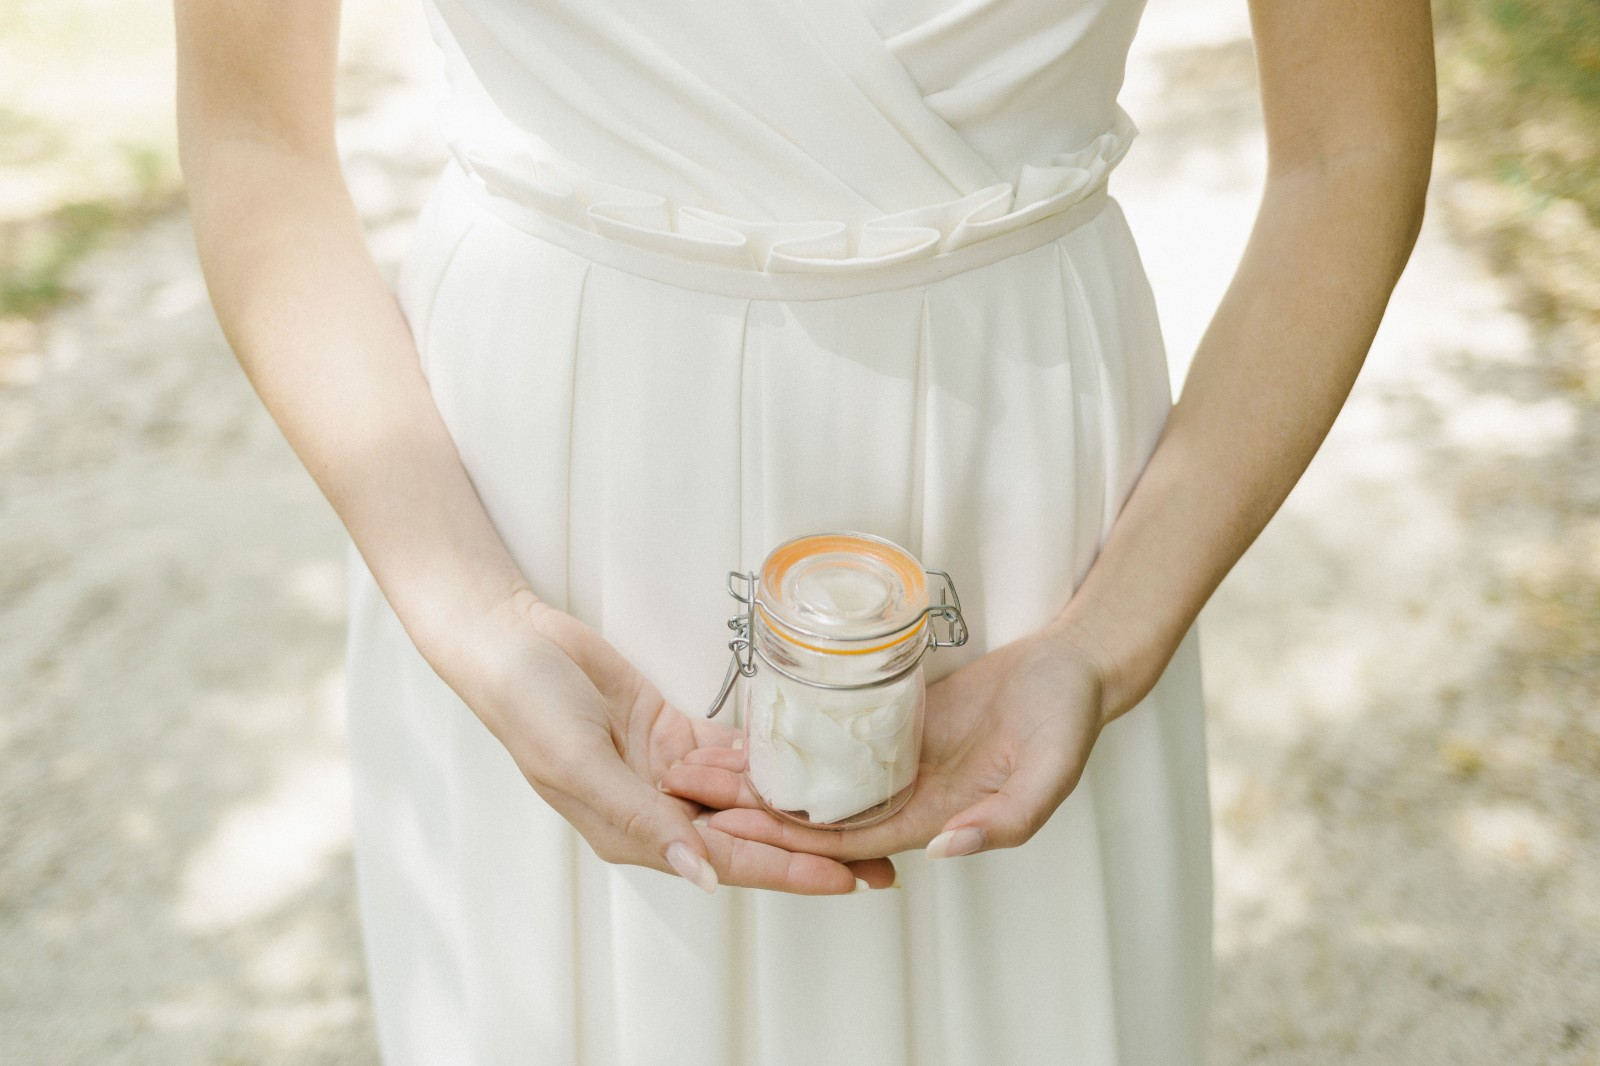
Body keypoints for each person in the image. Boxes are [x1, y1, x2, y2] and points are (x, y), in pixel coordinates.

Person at [175, 0, 1435, 1061]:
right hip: (527, 517)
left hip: (1032, 539)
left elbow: (1349, 148)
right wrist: (477, 613)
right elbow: (255, 137)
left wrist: (1110, 636)